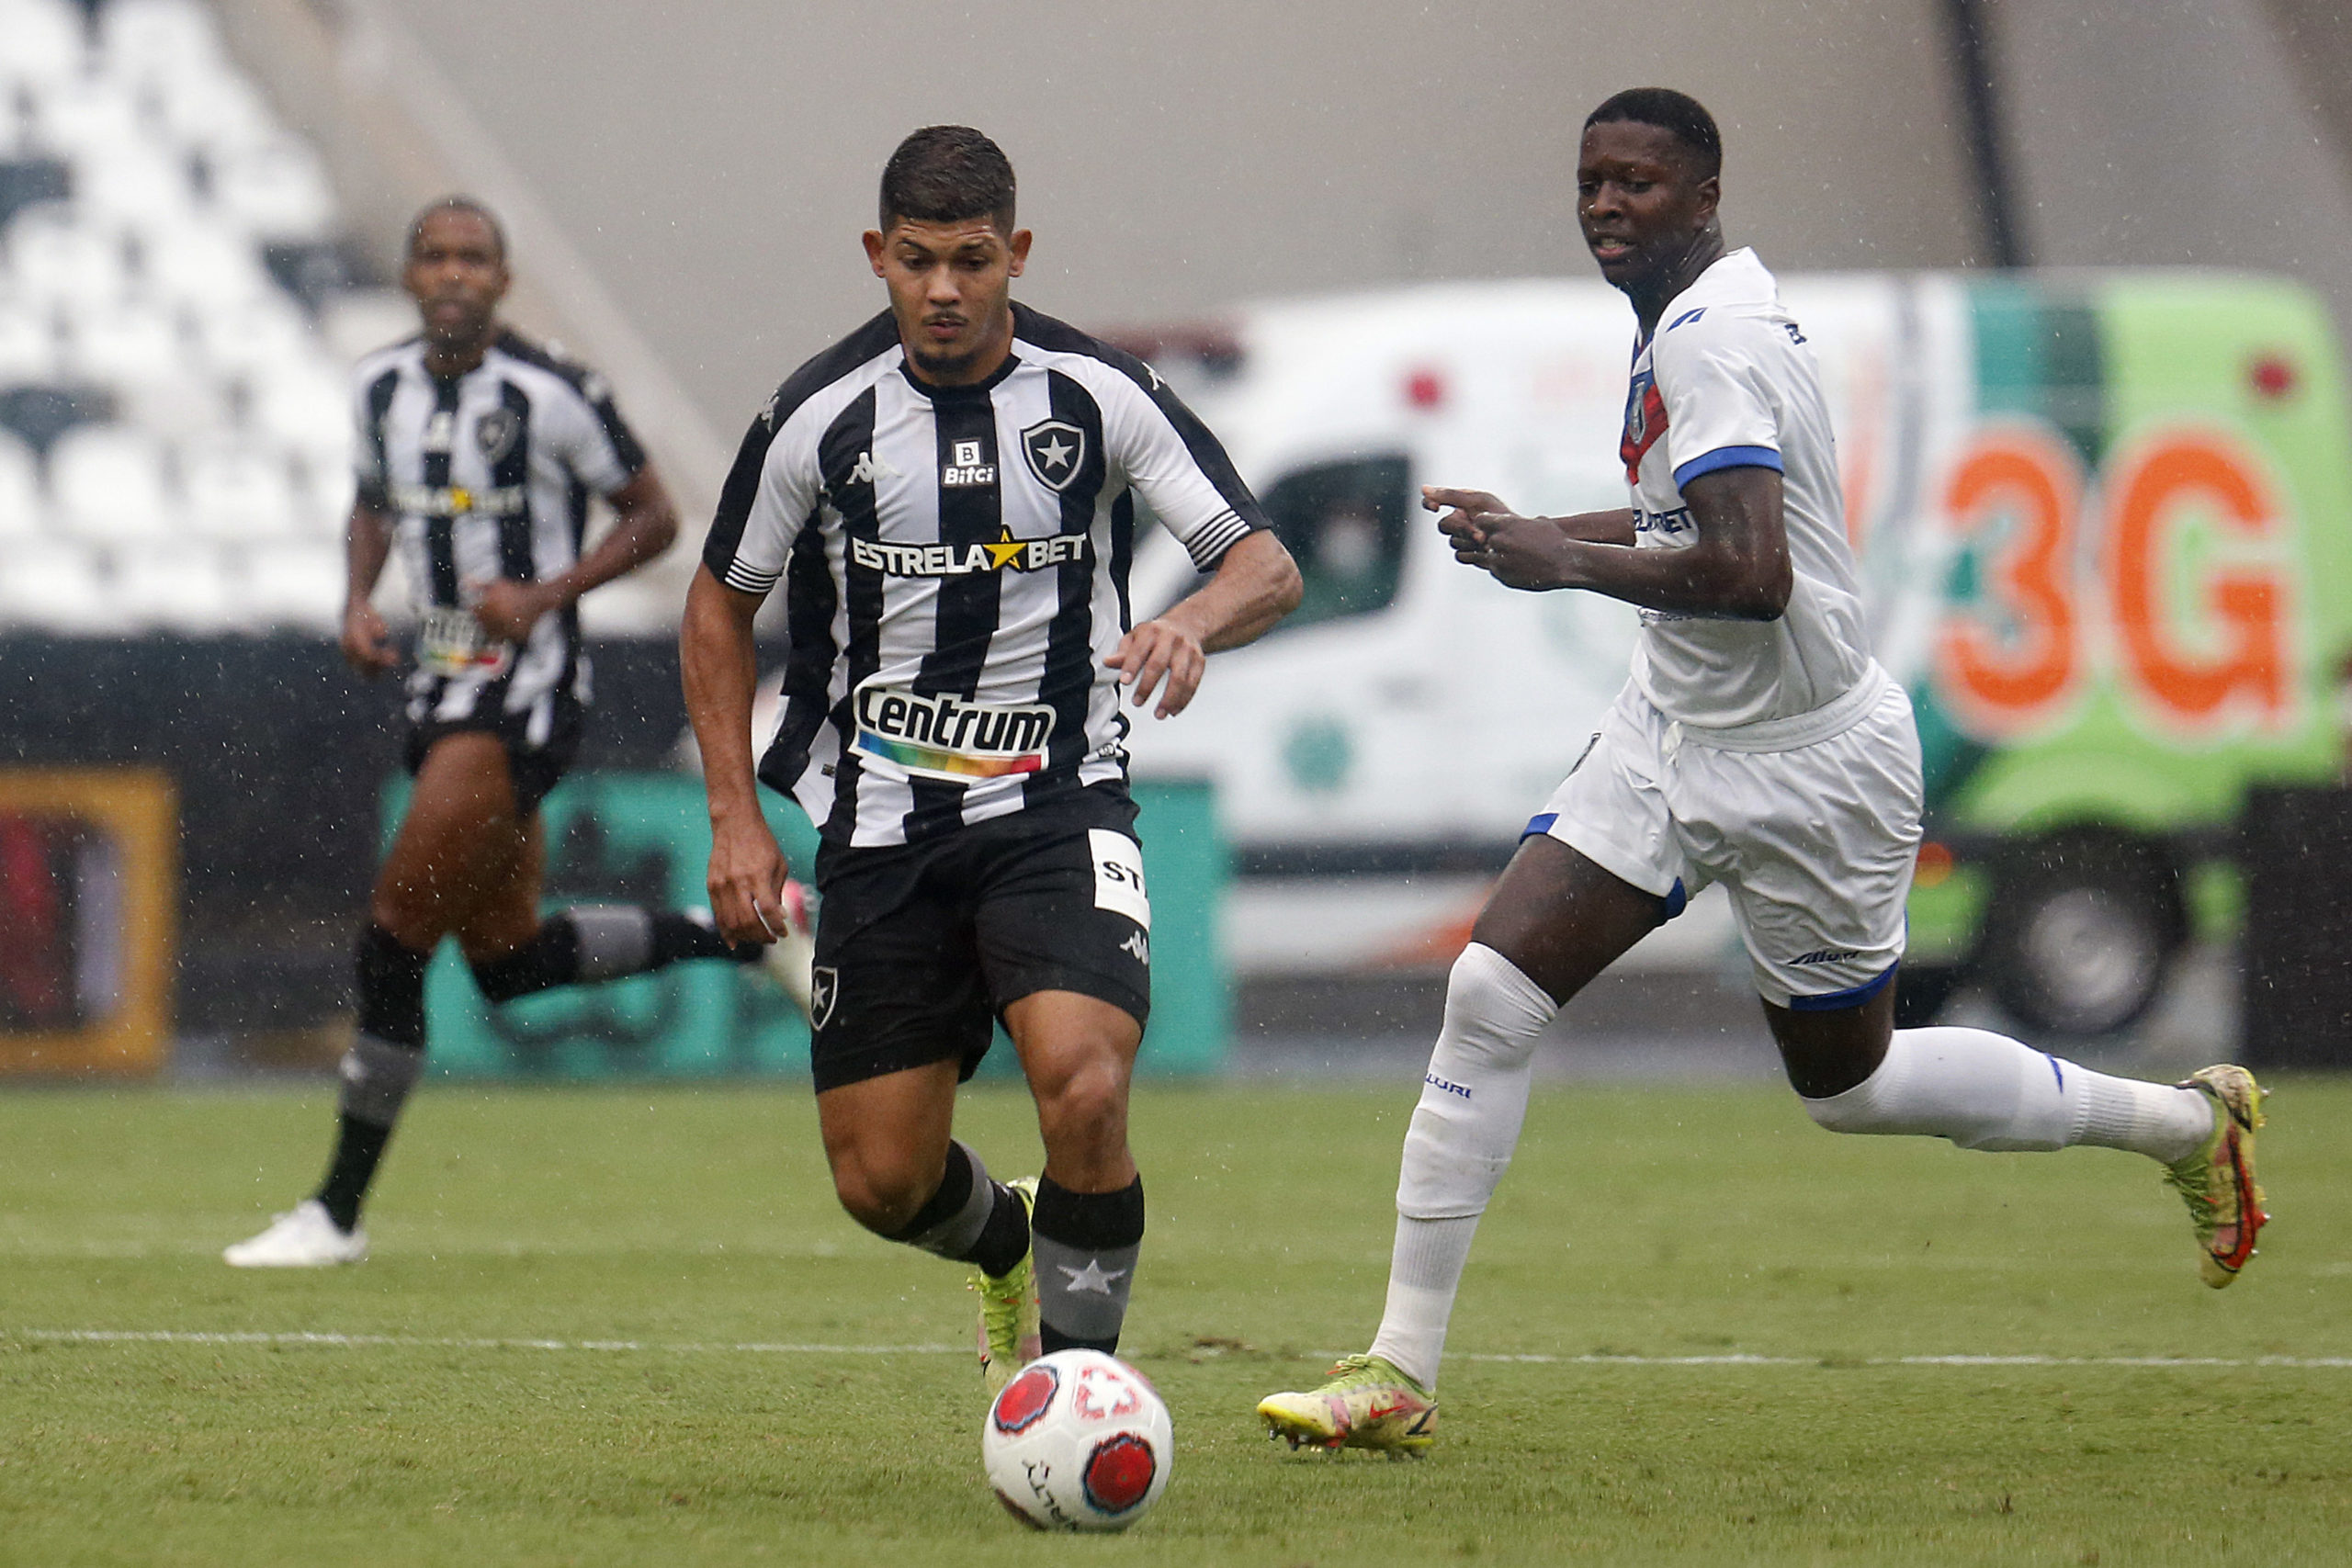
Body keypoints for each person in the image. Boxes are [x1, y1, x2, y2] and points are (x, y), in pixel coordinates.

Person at [1256, 88, 2268, 1454]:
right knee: (1491, 989)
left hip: (1812, 765)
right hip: (1673, 735)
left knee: (1850, 1085)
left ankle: (2180, 1125)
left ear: (1706, 193)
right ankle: (1397, 1368)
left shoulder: (1715, 340)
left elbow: (1749, 570)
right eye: (1592, 180)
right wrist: (1548, 525)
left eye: (1639, 184)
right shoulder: (1704, 317)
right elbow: (1703, 515)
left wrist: (1561, 562)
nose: (1607, 205)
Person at [682, 126, 1301, 1391]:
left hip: (1058, 809)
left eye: (973, 259)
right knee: (883, 1181)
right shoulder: (816, 415)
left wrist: (1187, 618)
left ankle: (1074, 1394)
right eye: (917, 261)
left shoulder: (1099, 393)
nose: (946, 289)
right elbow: (713, 606)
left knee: (1082, 1085)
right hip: (881, 827)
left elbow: (1265, 564)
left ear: (1016, 251)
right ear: (878, 256)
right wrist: (733, 817)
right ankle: (1007, 1238)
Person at [226, 197, 792, 1268]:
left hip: (521, 693)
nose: (452, 274)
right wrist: (357, 597)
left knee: (393, 939)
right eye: (434, 255)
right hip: (437, 679)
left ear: (501, 279)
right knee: (508, 961)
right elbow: (373, 503)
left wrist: (547, 593)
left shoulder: (554, 393)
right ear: (408, 274)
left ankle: (335, 1214)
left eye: (472, 259)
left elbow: (656, 516)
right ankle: (732, 933)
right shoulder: (380, 387)